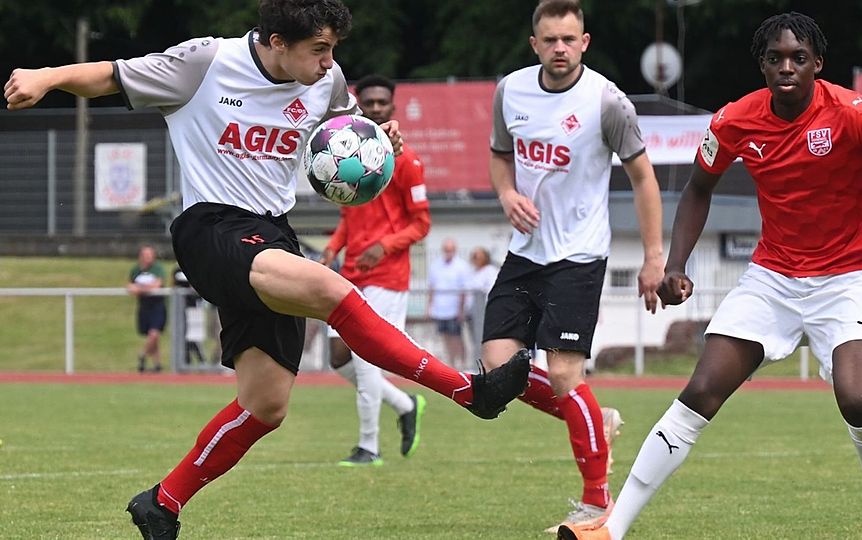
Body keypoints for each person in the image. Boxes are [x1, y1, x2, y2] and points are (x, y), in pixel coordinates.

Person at [4, 2, 531, 538]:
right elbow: (111, 75)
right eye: (319, 49)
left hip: (272, 232)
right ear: (277, 41)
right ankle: (470, 391)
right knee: (331, 287)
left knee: (266, 404)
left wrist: (380, 140)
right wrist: (47, 76)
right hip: (211, 228)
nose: (329, 63)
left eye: (333, 50)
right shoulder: (206, 62)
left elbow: (347, 131)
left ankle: (162, 503)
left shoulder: (325, 81)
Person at [558, 12, 862, 540]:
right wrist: (675, 265)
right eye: (775, 58)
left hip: (848, 278)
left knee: (858, 398)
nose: (786, 66)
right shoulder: (733, 121)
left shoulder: (859, 113)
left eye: (798, 57)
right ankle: (612, 527)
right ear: (762, 65)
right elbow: (698, 188)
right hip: (772, 279)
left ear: (818, 63)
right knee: (700, 390)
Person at [487, 0, 665, 533]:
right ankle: (593, 416)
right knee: (501, 372)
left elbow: (643, 179)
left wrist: (654, 257)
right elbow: (500, 154)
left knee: (565, 375)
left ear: (584, 42)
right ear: (534, 44)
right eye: (550, 40)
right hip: (525, 253)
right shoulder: (510, 90)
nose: (560, 48)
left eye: (569, 39)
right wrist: (505, 194)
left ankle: (596, 504)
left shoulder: (608, 102)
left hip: (579, 256)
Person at [321, 74, 430, 466]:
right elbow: (350, 220)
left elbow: (421, 223)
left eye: (384, 103)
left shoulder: (408, 162)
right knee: (337, 357)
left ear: (393, 107)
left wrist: (385, 246)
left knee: (367, 358)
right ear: (359, 106)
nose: (377, 108)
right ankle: (404, 405)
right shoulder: (351, 161)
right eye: (370, 103)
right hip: (350, 272)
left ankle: (369, 446)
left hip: (387, 277)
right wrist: (332, 249)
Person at [427, 238, 471, 370]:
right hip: (440, 309)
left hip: (454, 309)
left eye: (451, 250)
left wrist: (461, 310)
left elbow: (464, 290)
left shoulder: (461, 266)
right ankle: (452, 364)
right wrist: (429, 307)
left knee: (457, 337)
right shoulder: (435, 265)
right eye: (446, 250)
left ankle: (463, 364)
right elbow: (431, 288)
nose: (448, 252)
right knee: (446, 337)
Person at [127, 245, 166, 373]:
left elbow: (157, 284)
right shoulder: (136, 270)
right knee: (151, 335)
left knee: (154, 334)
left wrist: (140, 288)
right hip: (144, 306)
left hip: (157, 306)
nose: (148, 258)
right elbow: (130, 286)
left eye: (150, 255)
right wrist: (143, 289)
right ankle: (157, 364)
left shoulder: (157, 269)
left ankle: (143, 354)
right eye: (145, 255)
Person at [172, 267, 208, 367]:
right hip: (181, 308)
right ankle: (186, 360)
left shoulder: (195, 268)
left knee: (194, 335)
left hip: (194, 308)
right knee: (183, 334)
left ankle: (201, 359)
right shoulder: (177, 271)